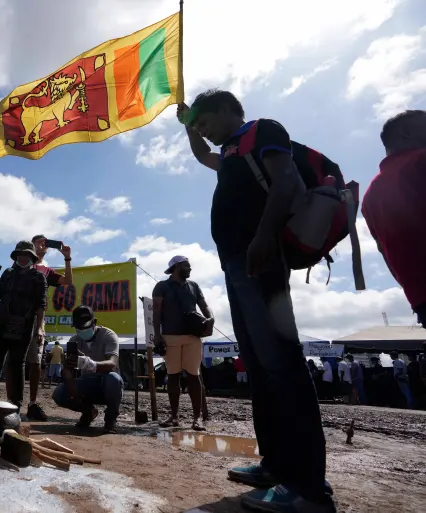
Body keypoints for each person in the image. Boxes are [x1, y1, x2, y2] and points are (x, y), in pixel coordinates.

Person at [179, 90, 334, 511]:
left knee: (282, 363)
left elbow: (284, 181)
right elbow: (202, 158)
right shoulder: (228, 152)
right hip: (237, 264)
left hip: (261, 257)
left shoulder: (261, 130)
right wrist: (187, 127)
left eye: (204, 120)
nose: (203, 131)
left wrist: (264, 235)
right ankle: (276, 465)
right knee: (260, 368)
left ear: (227, 109)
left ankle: (308, 487)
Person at [361, 110, 426, 328]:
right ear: (407, 134)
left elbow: (386, 254)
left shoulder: (370, 197)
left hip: (420, 297)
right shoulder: (421, 160)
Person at [152, 256, 213, 431]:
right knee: (173, 375)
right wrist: (157, 335)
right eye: (187, 265)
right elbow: (156, 312)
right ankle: (174, 416)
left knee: (194, 376)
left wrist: (211, 318)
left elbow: (204, 305)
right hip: (170, 336)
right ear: (177, 267)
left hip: (193, 336)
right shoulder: (162, 286)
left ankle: (197, 418)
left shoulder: (194, 286)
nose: (190, 268)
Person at [0, 241, 47, 408]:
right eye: (20, 255)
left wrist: (39, 328)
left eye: (26, 255)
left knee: (17, 363)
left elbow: (41, 305)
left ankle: (15, 405)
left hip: (24, 325)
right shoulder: (8, 273)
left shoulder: (39, 277)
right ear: (16, 256)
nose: (23, 258)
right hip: (2, 323)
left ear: (32, 258)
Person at [20, 235, 73, 421]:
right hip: (17, 316)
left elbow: (67, 282)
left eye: (45, 242)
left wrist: (67, 258)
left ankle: (32, 403)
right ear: (31, 245)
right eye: (39, 241)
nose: (43, 244)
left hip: (36, 318)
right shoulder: (23, 262)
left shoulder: (46, 270)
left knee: (35, 361)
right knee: (14, 360)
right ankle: (12, 402)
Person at [52, 305, 123, 433]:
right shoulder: (75, 340)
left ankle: (111, 418)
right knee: (59, 393)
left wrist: (91, 364)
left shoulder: (108, 335)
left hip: (106, 383)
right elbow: (68, 369)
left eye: (85, 326)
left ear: (94, 322)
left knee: (114, 379)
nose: (82, 330)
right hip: (86, 382)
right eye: (79, 328)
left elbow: (112, 363)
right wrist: (70, 381)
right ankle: (88, 412)